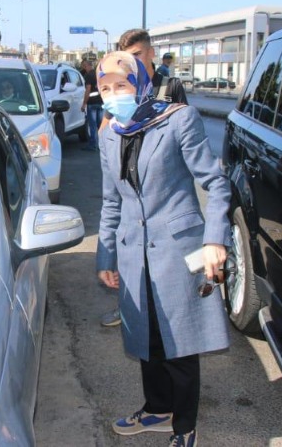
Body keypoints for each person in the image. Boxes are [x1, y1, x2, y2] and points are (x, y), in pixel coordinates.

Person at [95, 51, 231, 447]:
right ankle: (157, 407)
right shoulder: (109, 134)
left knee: (181, 343)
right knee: (145, 336)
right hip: (133, 251)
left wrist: (215, 238)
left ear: (139, 83)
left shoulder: (176, 120)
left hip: (179, 247)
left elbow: (217, 184)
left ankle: (185, 425)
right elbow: (111, 201)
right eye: (105, 88)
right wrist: (106, 255)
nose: (113, 94)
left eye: (121, 85)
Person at [99, 28, 188, 327]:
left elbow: (180, 132)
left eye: (135, 55)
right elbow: (111, 119)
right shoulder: (121, 87)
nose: (129, 60)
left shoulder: (169, 86)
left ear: (149, 53)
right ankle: (129, 306)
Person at [80, 59, 103, 151]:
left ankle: (93, 145)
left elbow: (88, 90)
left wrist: (84, 103)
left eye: (83, 66)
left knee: (92, 125)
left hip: (92, 103)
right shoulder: (98, 74)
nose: (83, 69)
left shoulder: (88, 76)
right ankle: (102, 145)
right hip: (101, 102)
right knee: (100, 125)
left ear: (86, 66)